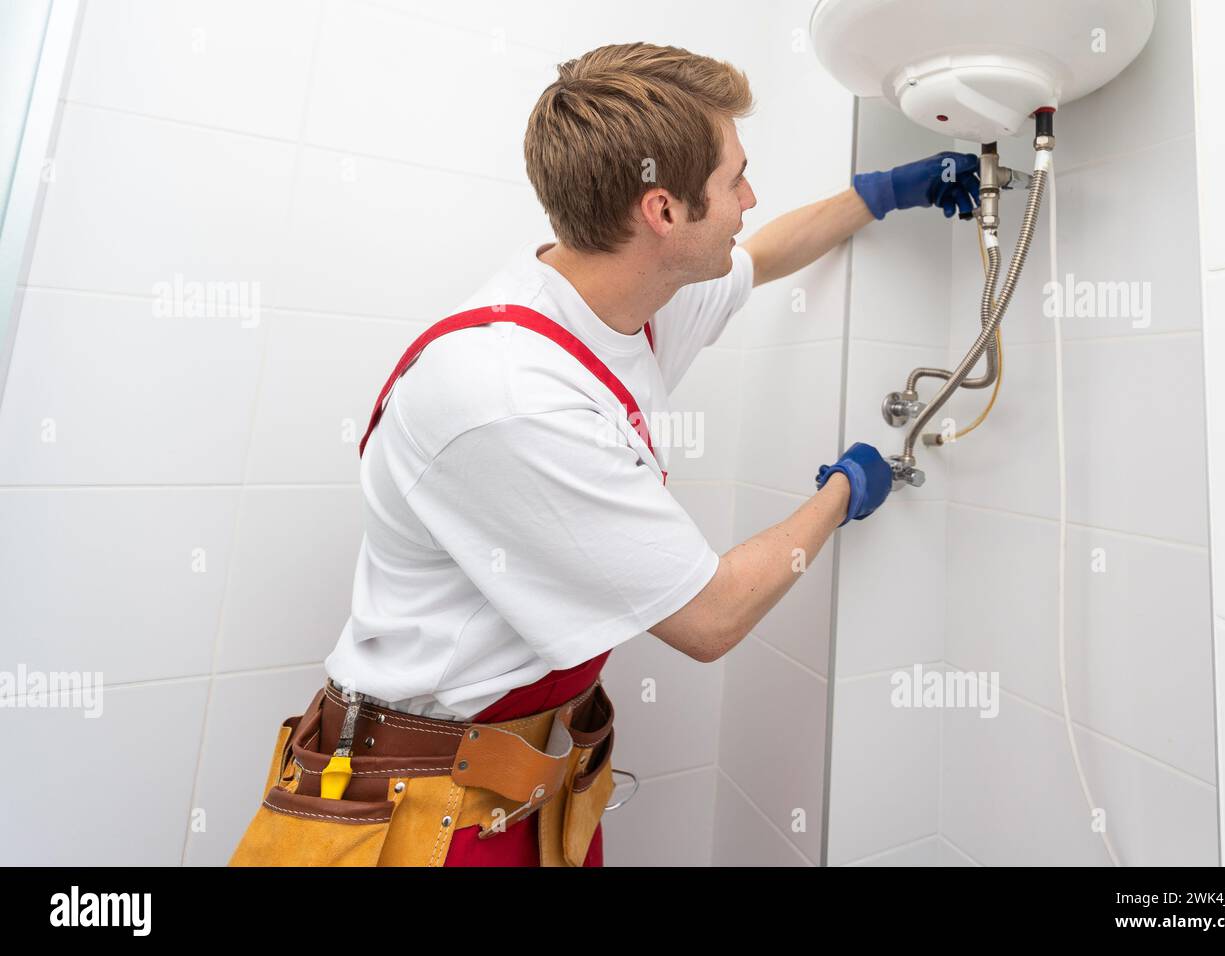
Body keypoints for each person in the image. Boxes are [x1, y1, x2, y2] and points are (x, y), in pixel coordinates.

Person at [230, 41, 978, 869]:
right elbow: (710, 617)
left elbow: (758, 258)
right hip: (421, 811)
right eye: (735, 181)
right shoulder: (510, 395)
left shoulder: (621, 300)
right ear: (662, 212)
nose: (749, 198)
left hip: (529, 784)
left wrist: (885, 194)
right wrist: (847, 486)